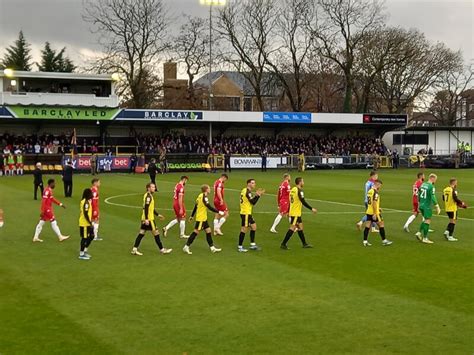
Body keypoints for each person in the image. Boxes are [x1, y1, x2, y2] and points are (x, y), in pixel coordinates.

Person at [131, 183, 172, 256]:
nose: (154, 188)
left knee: (141, 233)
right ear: (148, 188)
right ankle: (162, 250)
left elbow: (151, 208)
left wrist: (158, 214)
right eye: (153, 187)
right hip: (149, 219)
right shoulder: (148, 197)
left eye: (154, 187)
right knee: (156, 234)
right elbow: (146, 208)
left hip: (144, 218)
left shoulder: (148, 195)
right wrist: (147, 219)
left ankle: (134, 249)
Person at [183, 185, 224, 255]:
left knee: (208, 231)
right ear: (206, 190)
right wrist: (218, 211)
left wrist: (192, 216)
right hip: (201, 218)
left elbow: (196, 206)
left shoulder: (200, 196)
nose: (210, 189)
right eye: (208, 188)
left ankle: (212, 248)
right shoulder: (204, 197)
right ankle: (186, 246)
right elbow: (208, 206)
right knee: (195, 232)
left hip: (203, 218)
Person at [280, 177, 317, 249]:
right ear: (300, 182)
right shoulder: (299, 191)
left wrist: (287, 211)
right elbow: (303, 201)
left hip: (293, 212)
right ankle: (283, 244)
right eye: (303, 181)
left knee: (300, 228)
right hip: (295, 213)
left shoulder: (292, 190)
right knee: (292, 228)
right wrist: (311, 208)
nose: (303, 183)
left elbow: (290, 202)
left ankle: (304, 244)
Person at [362, 180, 393, 247]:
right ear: (377, 184)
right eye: (380, 186)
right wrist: (375, 213)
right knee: (381, 224)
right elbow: (374, 202)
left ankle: (365, 241)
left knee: (367, 226)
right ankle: (384, 241)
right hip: (374, 212)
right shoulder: (375, 192)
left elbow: (369, 202)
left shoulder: (370, 191)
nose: (380, 187)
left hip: (368, 211)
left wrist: (378, 208)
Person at [238, 179, 265, 252]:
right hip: (245, 213)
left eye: (254, 183)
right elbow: (253, 202)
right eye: (252, 183)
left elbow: (249, 200)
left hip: (247, 212)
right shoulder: (247, 192)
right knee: (244, 229)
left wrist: (256, 195)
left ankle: (252, 244)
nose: (254, 184)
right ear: (248, 184)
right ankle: (240, 247)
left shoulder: (245, 190)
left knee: (254, 227)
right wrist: (258, 196)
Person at [415, 173, 441, 244]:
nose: (435, 181)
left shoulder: (423, 184)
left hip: (421, 205)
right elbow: (433, 196)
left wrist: (419, 203)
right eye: (435, 180)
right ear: (432, 178)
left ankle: (419, 232)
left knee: (425, 220)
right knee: (427, 221)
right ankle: (425, 238)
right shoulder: (431, 186)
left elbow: (419, 194)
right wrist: (437, 206)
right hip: (427, 206)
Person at [78, 188, 95, 260]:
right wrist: (90, 222)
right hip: (84, 223)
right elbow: (85, 214)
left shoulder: (87, 201)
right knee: (84, 238)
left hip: (87, 223)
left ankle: (85, 250)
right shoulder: (86, 203)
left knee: (92, 236)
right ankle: (81, 254)